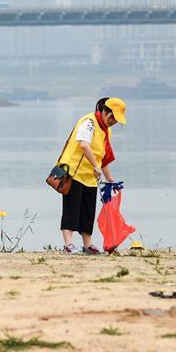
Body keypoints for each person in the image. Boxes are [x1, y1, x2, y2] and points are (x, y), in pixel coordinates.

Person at [56, 97, 126, 254]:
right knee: (71, 209)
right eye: (112, 117)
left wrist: (109, 178)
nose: (114, 121)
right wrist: (95, 166)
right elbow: (84, 145)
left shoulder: (106, 130)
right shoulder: (89, 122)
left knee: (88, 211)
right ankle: (68, 245)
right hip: (74, 172)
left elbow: (103, 156)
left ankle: (88, 245)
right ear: (104, 111)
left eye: (117, 119)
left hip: (90, 176)